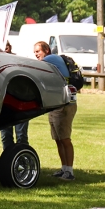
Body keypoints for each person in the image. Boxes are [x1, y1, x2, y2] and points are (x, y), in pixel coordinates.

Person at [34, 41, 78, 180]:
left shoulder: (50, 59)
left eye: (38, 51)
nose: (36, 55)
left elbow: (35, 68)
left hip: (65, 104)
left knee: (65, 138)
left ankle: (69, 172)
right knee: (58, 139)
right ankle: (64, 168)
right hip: (56, 104)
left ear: (46, 50)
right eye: (35, 52)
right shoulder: (49, 62)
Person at [0, 41, 29, 149]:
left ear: (10, 47)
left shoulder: (18, 60)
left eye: (6, 47)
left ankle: (23, 159)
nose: (5, 49)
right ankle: (8, 159)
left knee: (21, 134)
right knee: (5, 135)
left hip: (20, 103)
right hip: (4, 104)